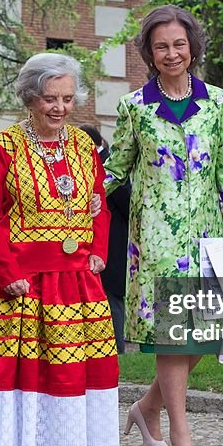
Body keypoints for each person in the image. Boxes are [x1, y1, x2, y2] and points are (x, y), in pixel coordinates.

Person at [104, 5, 223, 446]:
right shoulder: (134, 107)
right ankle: (180, 434)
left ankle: (147, 407)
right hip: (157, 240)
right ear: (149, 51)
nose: (172, 53)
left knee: (217, 330)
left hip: (211, 234)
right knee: (174, 335)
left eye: (179, 44)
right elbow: (116, 167)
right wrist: (73, 191)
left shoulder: (218, 102)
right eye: (162, 45)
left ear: (193, 48)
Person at [0, 53, 118, 446]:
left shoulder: (84, 146)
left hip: (76, 276)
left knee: (70, 368)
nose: (60, 108)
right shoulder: (4, 147)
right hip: (23, 280)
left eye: (67, 99)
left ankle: (64, 443)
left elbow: (98, 204)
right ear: (31, 97)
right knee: (33, 367)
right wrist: (6, 270)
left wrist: (98, 250)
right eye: (50, 98)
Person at [81, 123, 130, 353]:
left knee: (112, 296)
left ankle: (117, 346)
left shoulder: (110, 165)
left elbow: (125, 202)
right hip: (95, 241)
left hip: (113, 240)